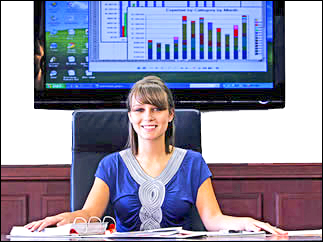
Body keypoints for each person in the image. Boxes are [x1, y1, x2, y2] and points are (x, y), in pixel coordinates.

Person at [25, 76, 287, 235]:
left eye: (156, 109)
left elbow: (213, 220)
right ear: (130, 116)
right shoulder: (111, 165)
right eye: (139, 110)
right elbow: (90, 214)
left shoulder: (192, 163)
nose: (148, 117)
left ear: (170, 115)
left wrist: (247, 224)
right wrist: (62, 219)